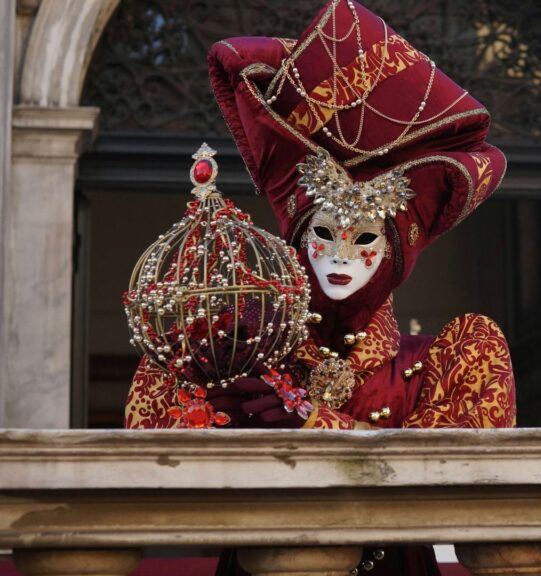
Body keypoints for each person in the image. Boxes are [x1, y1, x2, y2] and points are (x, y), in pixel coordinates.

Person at [125, 1, 516, 573]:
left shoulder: (449, 358)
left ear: (395, 256)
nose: (339, 256)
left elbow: (465, 483)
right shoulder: (243, 353)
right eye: (325, 234)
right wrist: (214, 424)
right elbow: (147, 465)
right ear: (296, 242)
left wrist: (316, 424)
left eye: (364, 240)